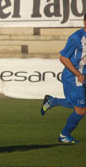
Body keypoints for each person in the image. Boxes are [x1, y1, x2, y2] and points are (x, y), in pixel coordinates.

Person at [41, 13, 86, 144]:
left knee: (80, 104)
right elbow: (63, 58)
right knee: (81, 109)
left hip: (83, 74)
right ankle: (64, 135)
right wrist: (78, 74)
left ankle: (52, 101)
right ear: (84, 22)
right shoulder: (76, 38)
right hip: (73, 77)